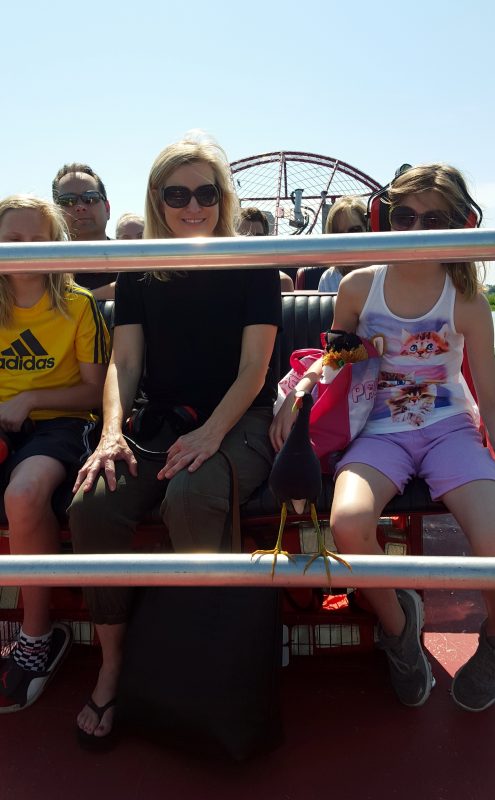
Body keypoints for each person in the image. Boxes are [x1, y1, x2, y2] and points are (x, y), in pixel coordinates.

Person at [271, 164, 495, 712]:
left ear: (459, 226)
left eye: (433, 218)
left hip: (449, 430)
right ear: (382, 220)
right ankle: (399, 631)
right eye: (403, 215)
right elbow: (335, 360)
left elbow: (489, 398)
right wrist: (300, 391)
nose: (416, 227)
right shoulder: (360, 287)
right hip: (378, 429)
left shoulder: (467, 303)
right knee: (349, 522)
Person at [69, 135, 282, 744]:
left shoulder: (253, 264)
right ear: (157, 200)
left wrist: (212, 434)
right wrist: (111, 434)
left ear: (223, 198)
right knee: (92, 504)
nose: (193, 206)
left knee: (191, 494)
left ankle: (200, 667)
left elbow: (253, 371)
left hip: (237, 419)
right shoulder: (142, 269)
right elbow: (125, 365)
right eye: (177, 194)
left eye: (206, 193)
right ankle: (114, 665)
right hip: (160, 418)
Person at [0, 195, 109, 713]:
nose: (25, 252)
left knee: (24, 494)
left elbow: (93, 393)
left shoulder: (78, 305)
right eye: (13, 241)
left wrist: (31, 398)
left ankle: (38, 636)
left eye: (37, 241)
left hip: (61, 425)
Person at [52, 163, 117, 300]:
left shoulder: (136, 259)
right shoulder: (46, 272)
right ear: (56, 214)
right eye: (68, 201)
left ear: (107, 208)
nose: (80, 207)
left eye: (91, 198)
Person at [317, 196, 368, 292]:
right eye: (338, 234)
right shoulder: (329, 280)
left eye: (354, 231)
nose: (346, 240)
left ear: (368, 228)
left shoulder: (386, 274)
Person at [237, 207, 294, 292]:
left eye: (258, 237)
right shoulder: (223, 279)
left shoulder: (283, 282)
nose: (252, 244)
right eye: (245, 237)